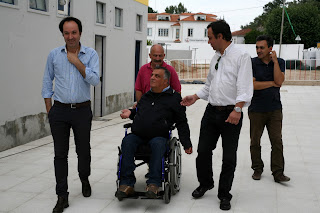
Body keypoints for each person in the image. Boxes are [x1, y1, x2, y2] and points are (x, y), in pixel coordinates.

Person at [181, 20, 253, 211]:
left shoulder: (241, 56)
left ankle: (224, 194)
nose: (208, 42)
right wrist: (195, 97)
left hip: (232, 113)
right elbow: (209, 85)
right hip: (211, 111)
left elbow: (245, 88)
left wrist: (237, 110)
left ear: (220, 37)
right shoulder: (216, 57)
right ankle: (206, 183)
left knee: (229, 157)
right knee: (203, 152)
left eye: (210, 37)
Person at [41, 17, 99, 213]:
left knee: (83, 151)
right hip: (59, 111)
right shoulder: (54, 55)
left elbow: (95, 80)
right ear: (63, 34)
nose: (70, 36)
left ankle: (84, 178)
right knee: (60, 154)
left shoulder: (90, 54)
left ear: (80, 33)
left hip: (82, 110)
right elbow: (47, 81)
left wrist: (77, 63)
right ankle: (62, 196)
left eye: (74, 32)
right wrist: (50, 109)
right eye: (67, 33)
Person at [116, 67, 192, 200]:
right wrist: (131, 112)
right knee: (127, 141)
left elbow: (181, 122)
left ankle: (154, 184)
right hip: (138, 135)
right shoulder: (146, 96)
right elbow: (141, 112)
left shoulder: (174, 98)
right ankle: (127, 183)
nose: (152, 77)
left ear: (166, 81)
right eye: (152, 75)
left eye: (157, 76)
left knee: (157, 144)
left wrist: (186, 143)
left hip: (158, 137)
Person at [249, 35, 290, 183]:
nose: (258, 50)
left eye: (262, 47)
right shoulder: (252, 63)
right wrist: (272, 84)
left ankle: (278, 172)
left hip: (274, 109)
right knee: (255, 141)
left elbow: (280, 81)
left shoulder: (279, 62)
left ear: (270, 49)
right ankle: (257, 169)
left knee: (277, 141)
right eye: (257, 47)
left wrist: (275, 63)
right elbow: (252, 86)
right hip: (256, 109)